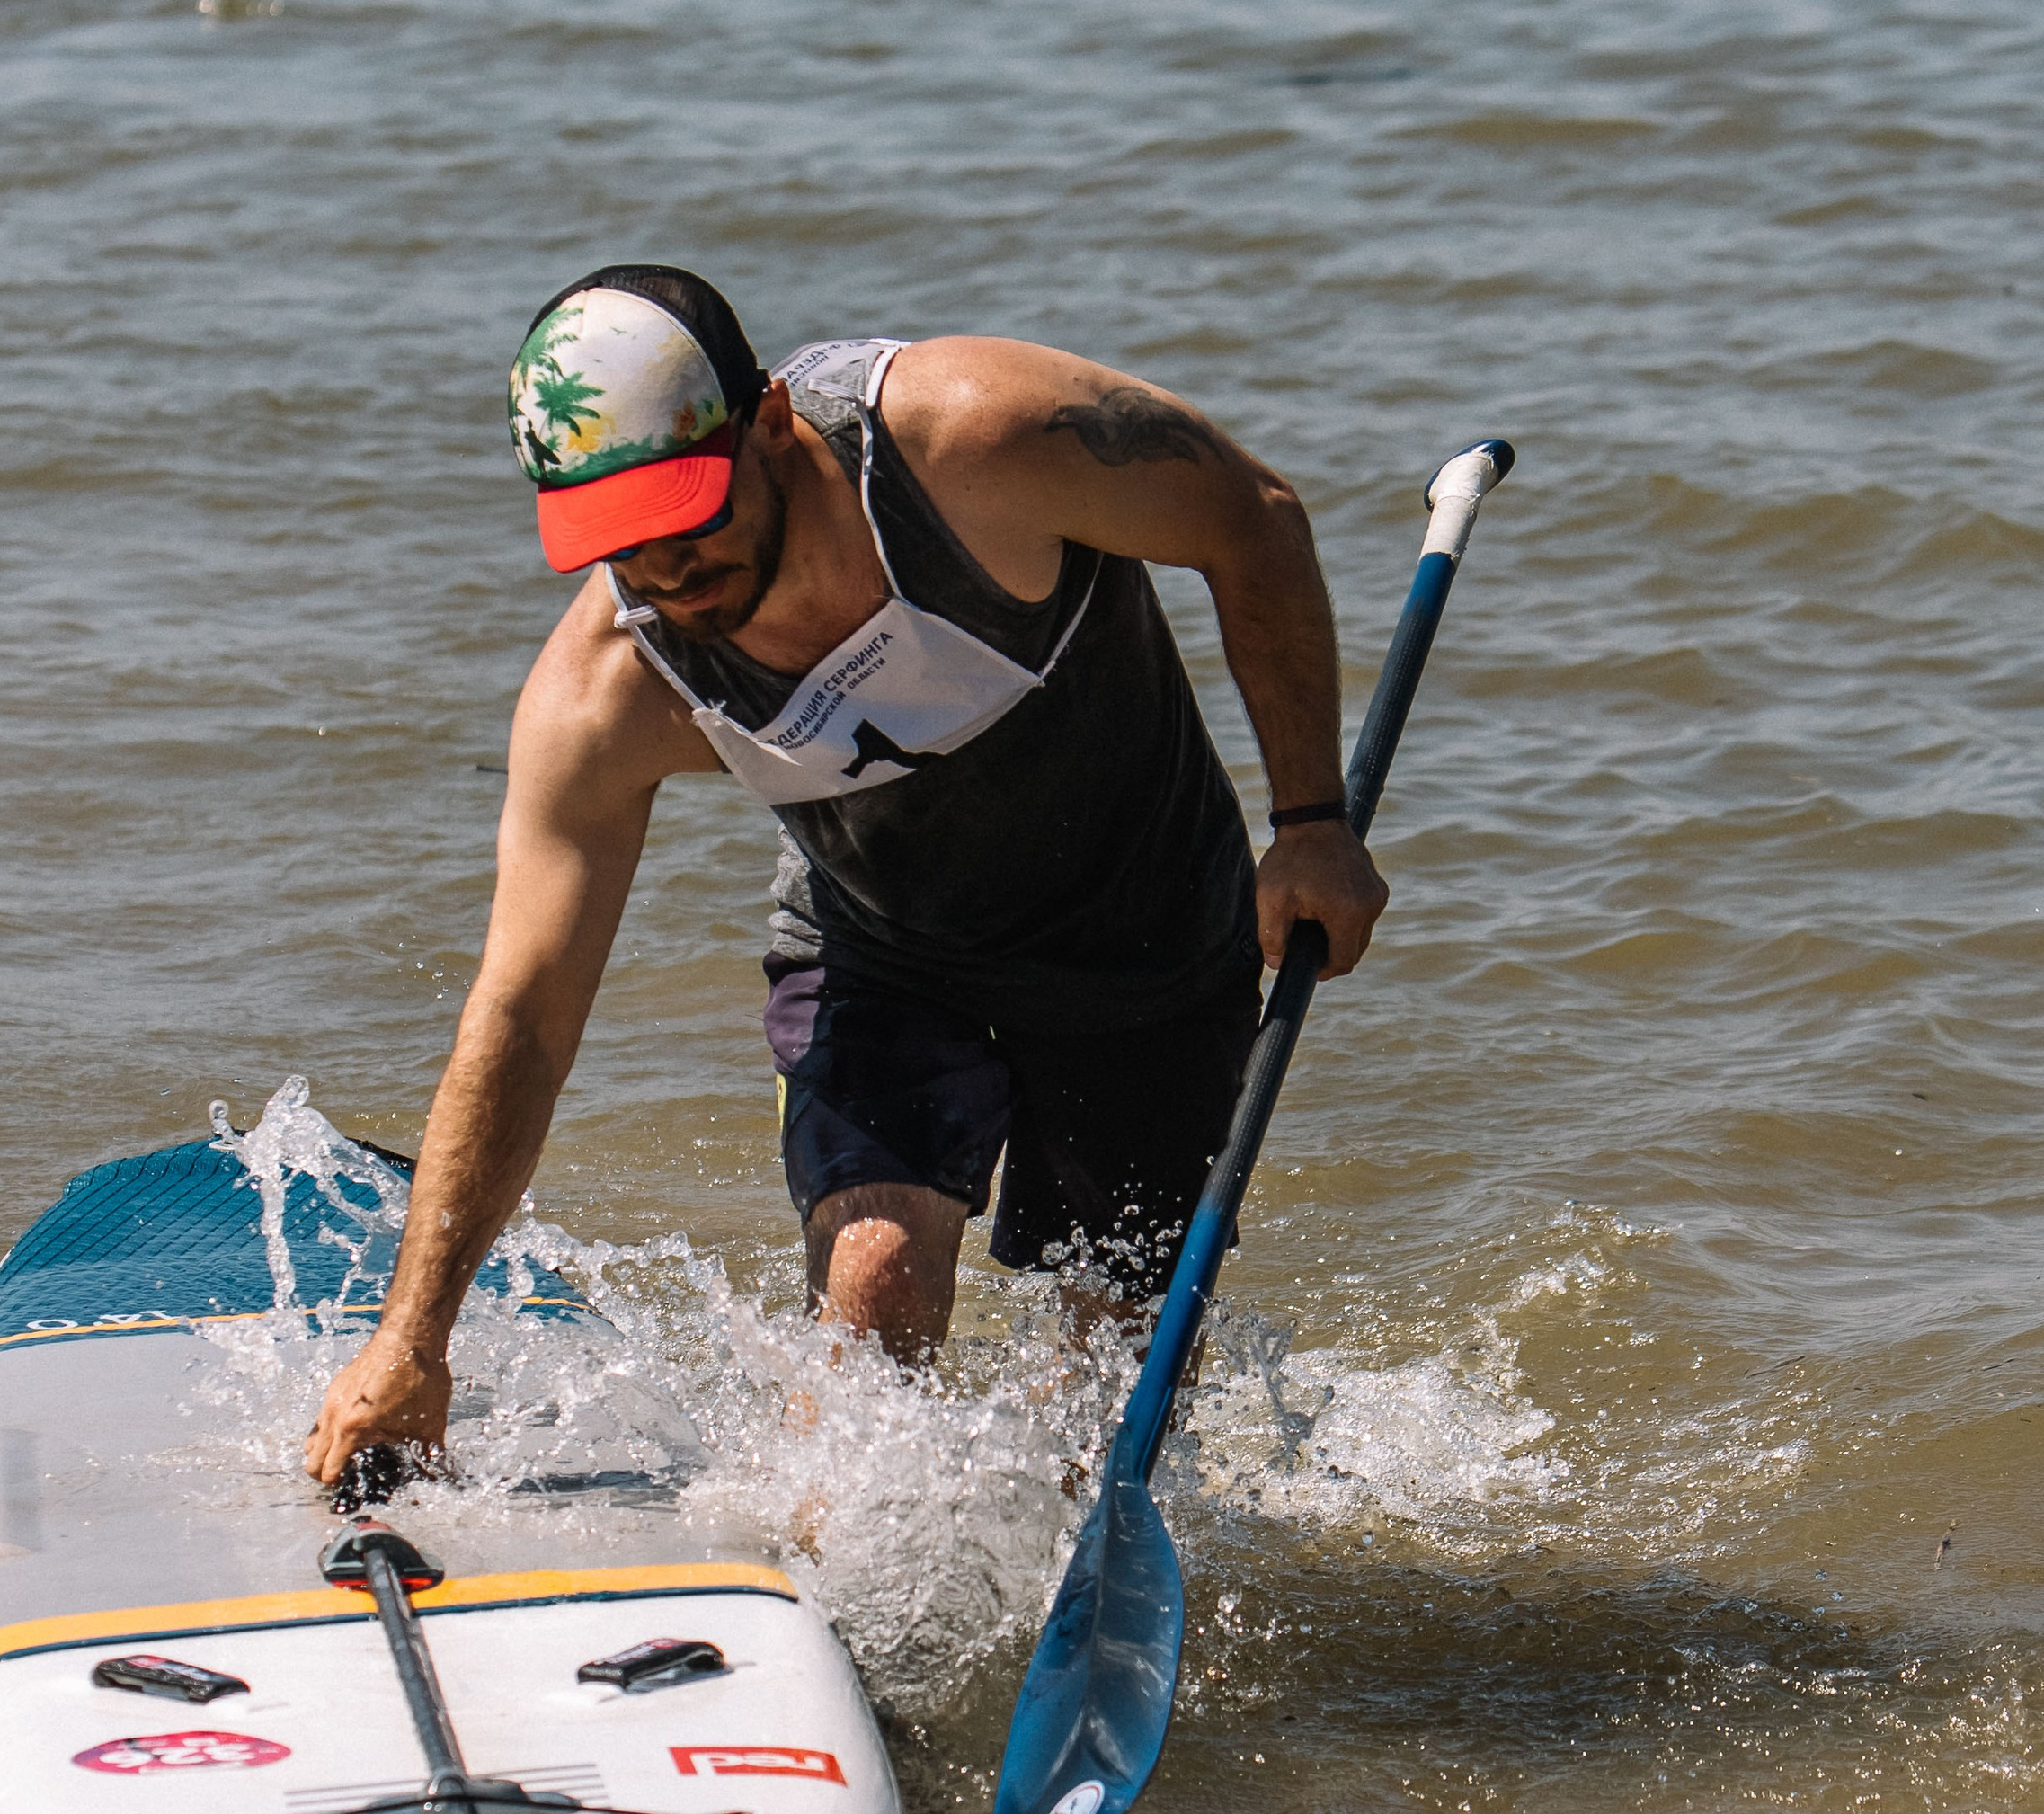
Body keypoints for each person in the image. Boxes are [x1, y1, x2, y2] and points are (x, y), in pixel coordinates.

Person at [305, 266, 1384, 1489]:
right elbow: (524, 1014)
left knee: (1114, 1399)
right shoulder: (610, 691)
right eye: (620, 543)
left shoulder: (976, 444)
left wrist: (1310, 822)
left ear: (768, 421)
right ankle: (849, 1613)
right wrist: (410, 1345)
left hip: (1147, 943)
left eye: (687, 513)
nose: (665, 573)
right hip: (882, 952)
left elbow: (1253, 517)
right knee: (874, 1293)